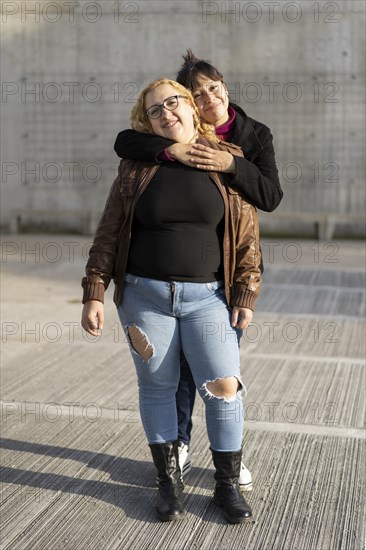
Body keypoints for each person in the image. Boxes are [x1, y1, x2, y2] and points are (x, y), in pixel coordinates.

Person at [81, 78, 262, 524]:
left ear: (191, 106)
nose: (167, 112)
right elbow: (109, 229)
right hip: (144, 298)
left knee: (224, 387)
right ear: (149, 122)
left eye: (173, 102)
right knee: (158, 387)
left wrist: (246, 290)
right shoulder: (137, 166)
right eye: (155, 110)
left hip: (208, 299)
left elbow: (247, 234)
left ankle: (226, 486)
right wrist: (95, 290)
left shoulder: (226, 159)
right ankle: (169, 485)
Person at [113, 50, 283, 490]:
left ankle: (226, 463)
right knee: (173, 373)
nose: (209, 97)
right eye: (198, 92)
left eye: (213, 87)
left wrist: (231, 164)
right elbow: (126, 141)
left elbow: (267, 197)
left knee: (216, 372)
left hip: (221, 276)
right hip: (155, 287)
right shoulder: (164, 134)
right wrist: (173, 148)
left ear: (223, 86)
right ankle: (180, 446)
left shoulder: (251, 135)